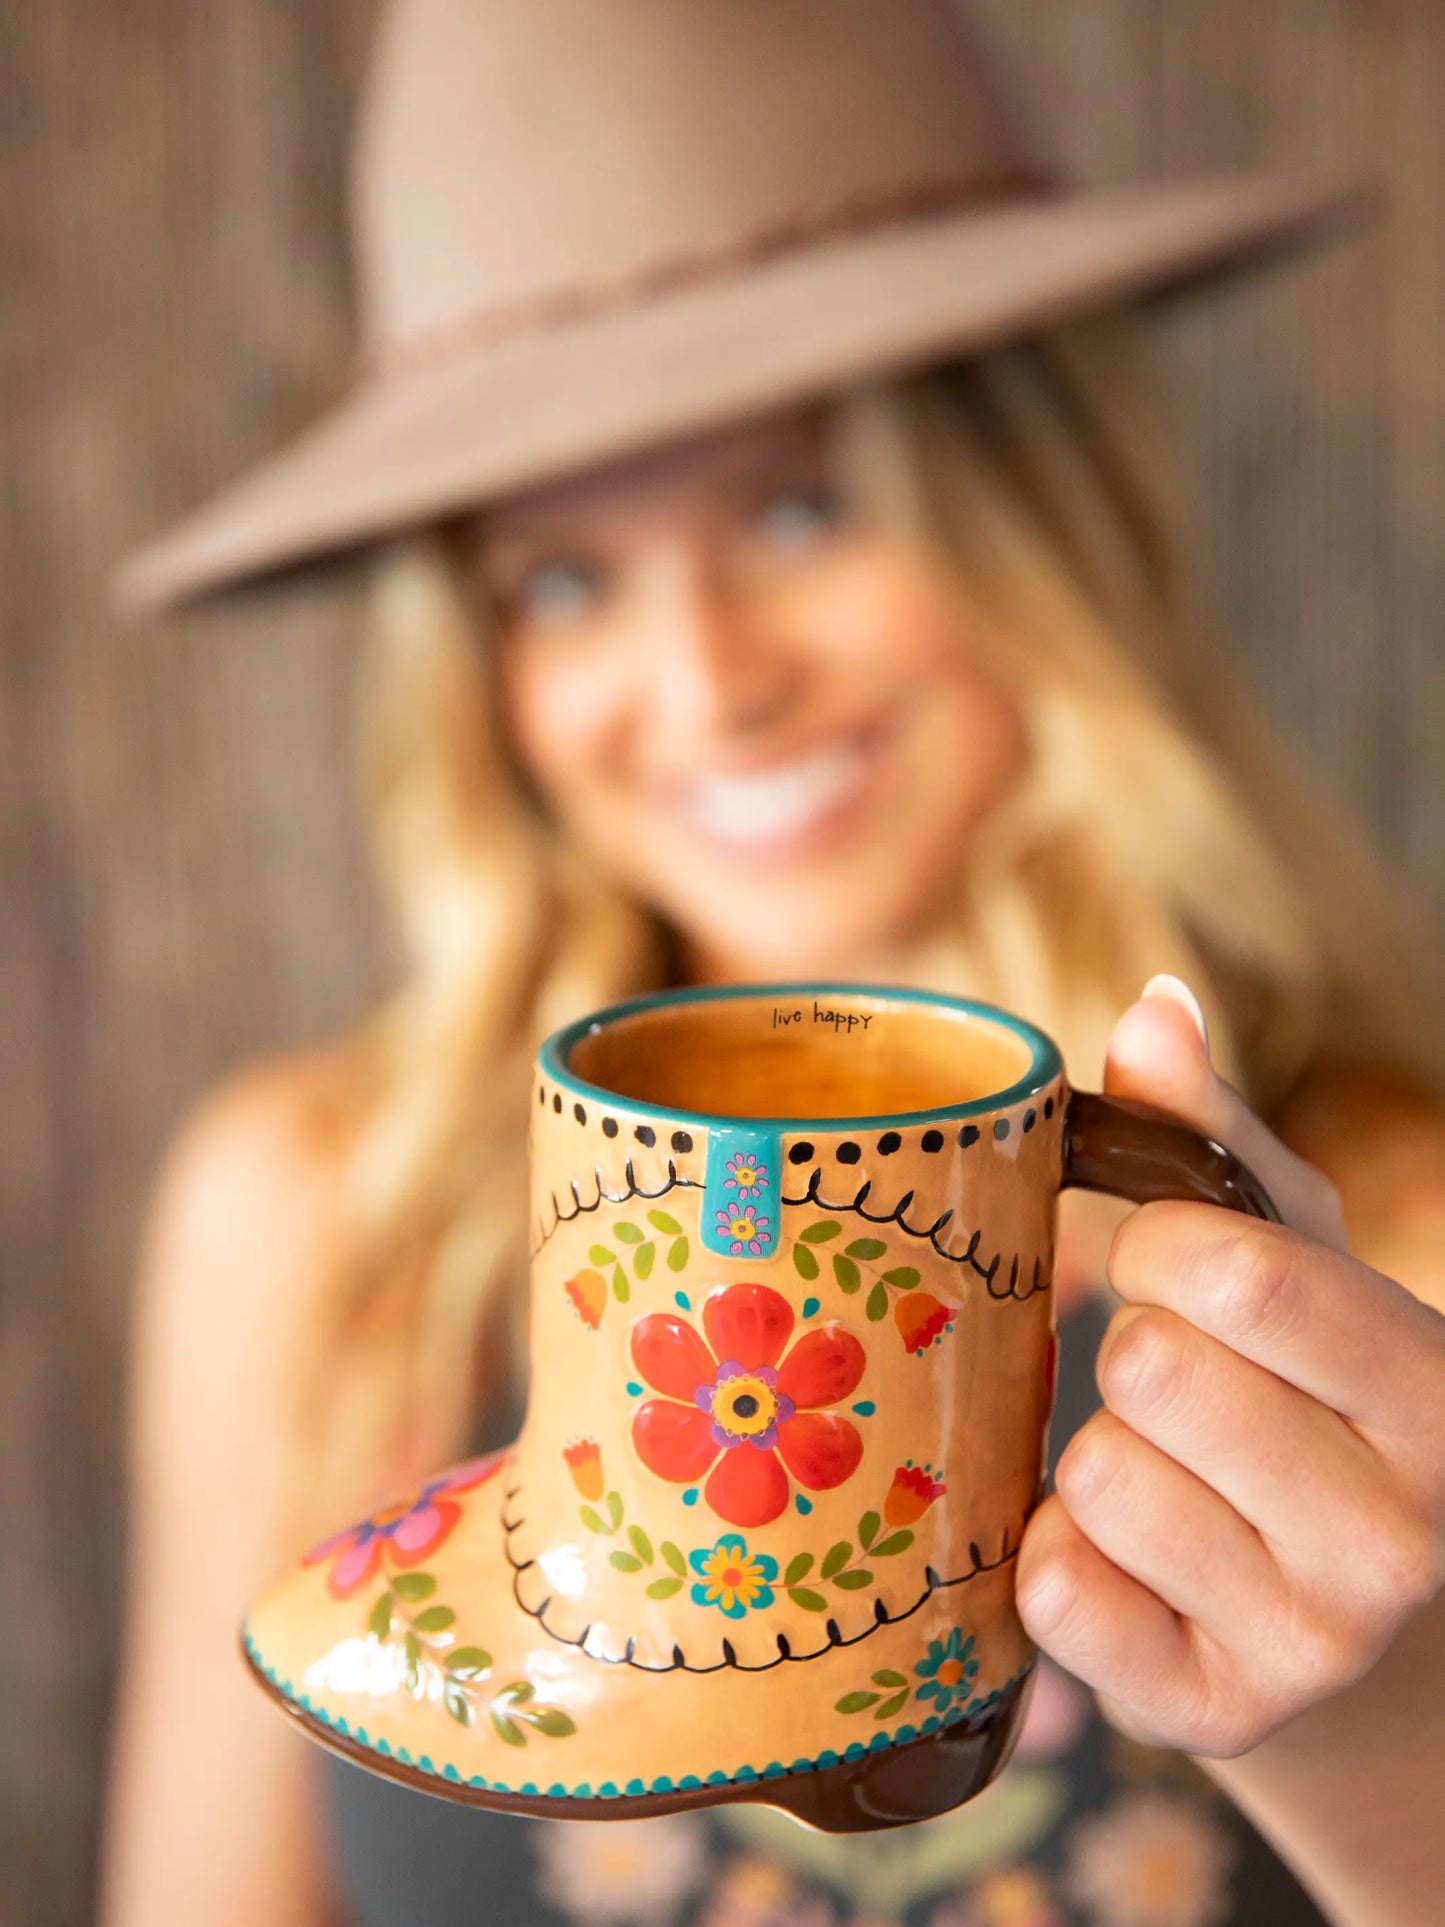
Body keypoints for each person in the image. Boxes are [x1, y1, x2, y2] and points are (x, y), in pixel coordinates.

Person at [101, 3, 1445, 1924]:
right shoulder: (317, 1226)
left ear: (1041, 522)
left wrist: (1387, 1742)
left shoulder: (1389, 1256)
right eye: (563, 578)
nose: (710, 682)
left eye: (805, 506)